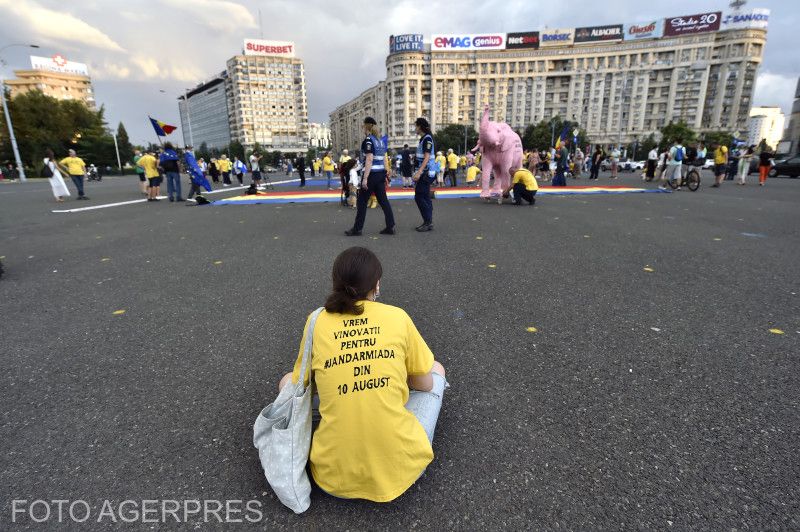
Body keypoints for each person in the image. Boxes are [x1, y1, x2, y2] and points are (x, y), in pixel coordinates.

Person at [278, 246, 447, 502]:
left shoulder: (317, 321)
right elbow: (422, 384)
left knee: (286, 382)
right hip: (402, 471)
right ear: (376, 285)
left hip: (331, 477)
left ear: (336, 283)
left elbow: (302, 384)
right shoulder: (397, 316)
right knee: (435, 370)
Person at [345, 117, 395, 236]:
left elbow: (369, 159)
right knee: (383, 201)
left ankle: (357, 229)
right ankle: (390, 226)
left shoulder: (368, 140)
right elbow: (384, 158)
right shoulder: (381, 141)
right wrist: (386, 172)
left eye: (363, 125)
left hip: (371, 175)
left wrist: (365, 178)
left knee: (362, 201)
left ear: (367, 126)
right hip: (380, 174)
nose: (362, 127)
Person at [411, 117, 435, 232]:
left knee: (419, 196)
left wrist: (419, 172)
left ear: (420, 126)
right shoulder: (423, 139)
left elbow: (427, 157)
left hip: (426, 173)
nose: (415, 128)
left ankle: (428, 221)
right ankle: (428, 221)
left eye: (415, 126)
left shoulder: (427, 139)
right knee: (424, 196)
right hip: (425, 172)